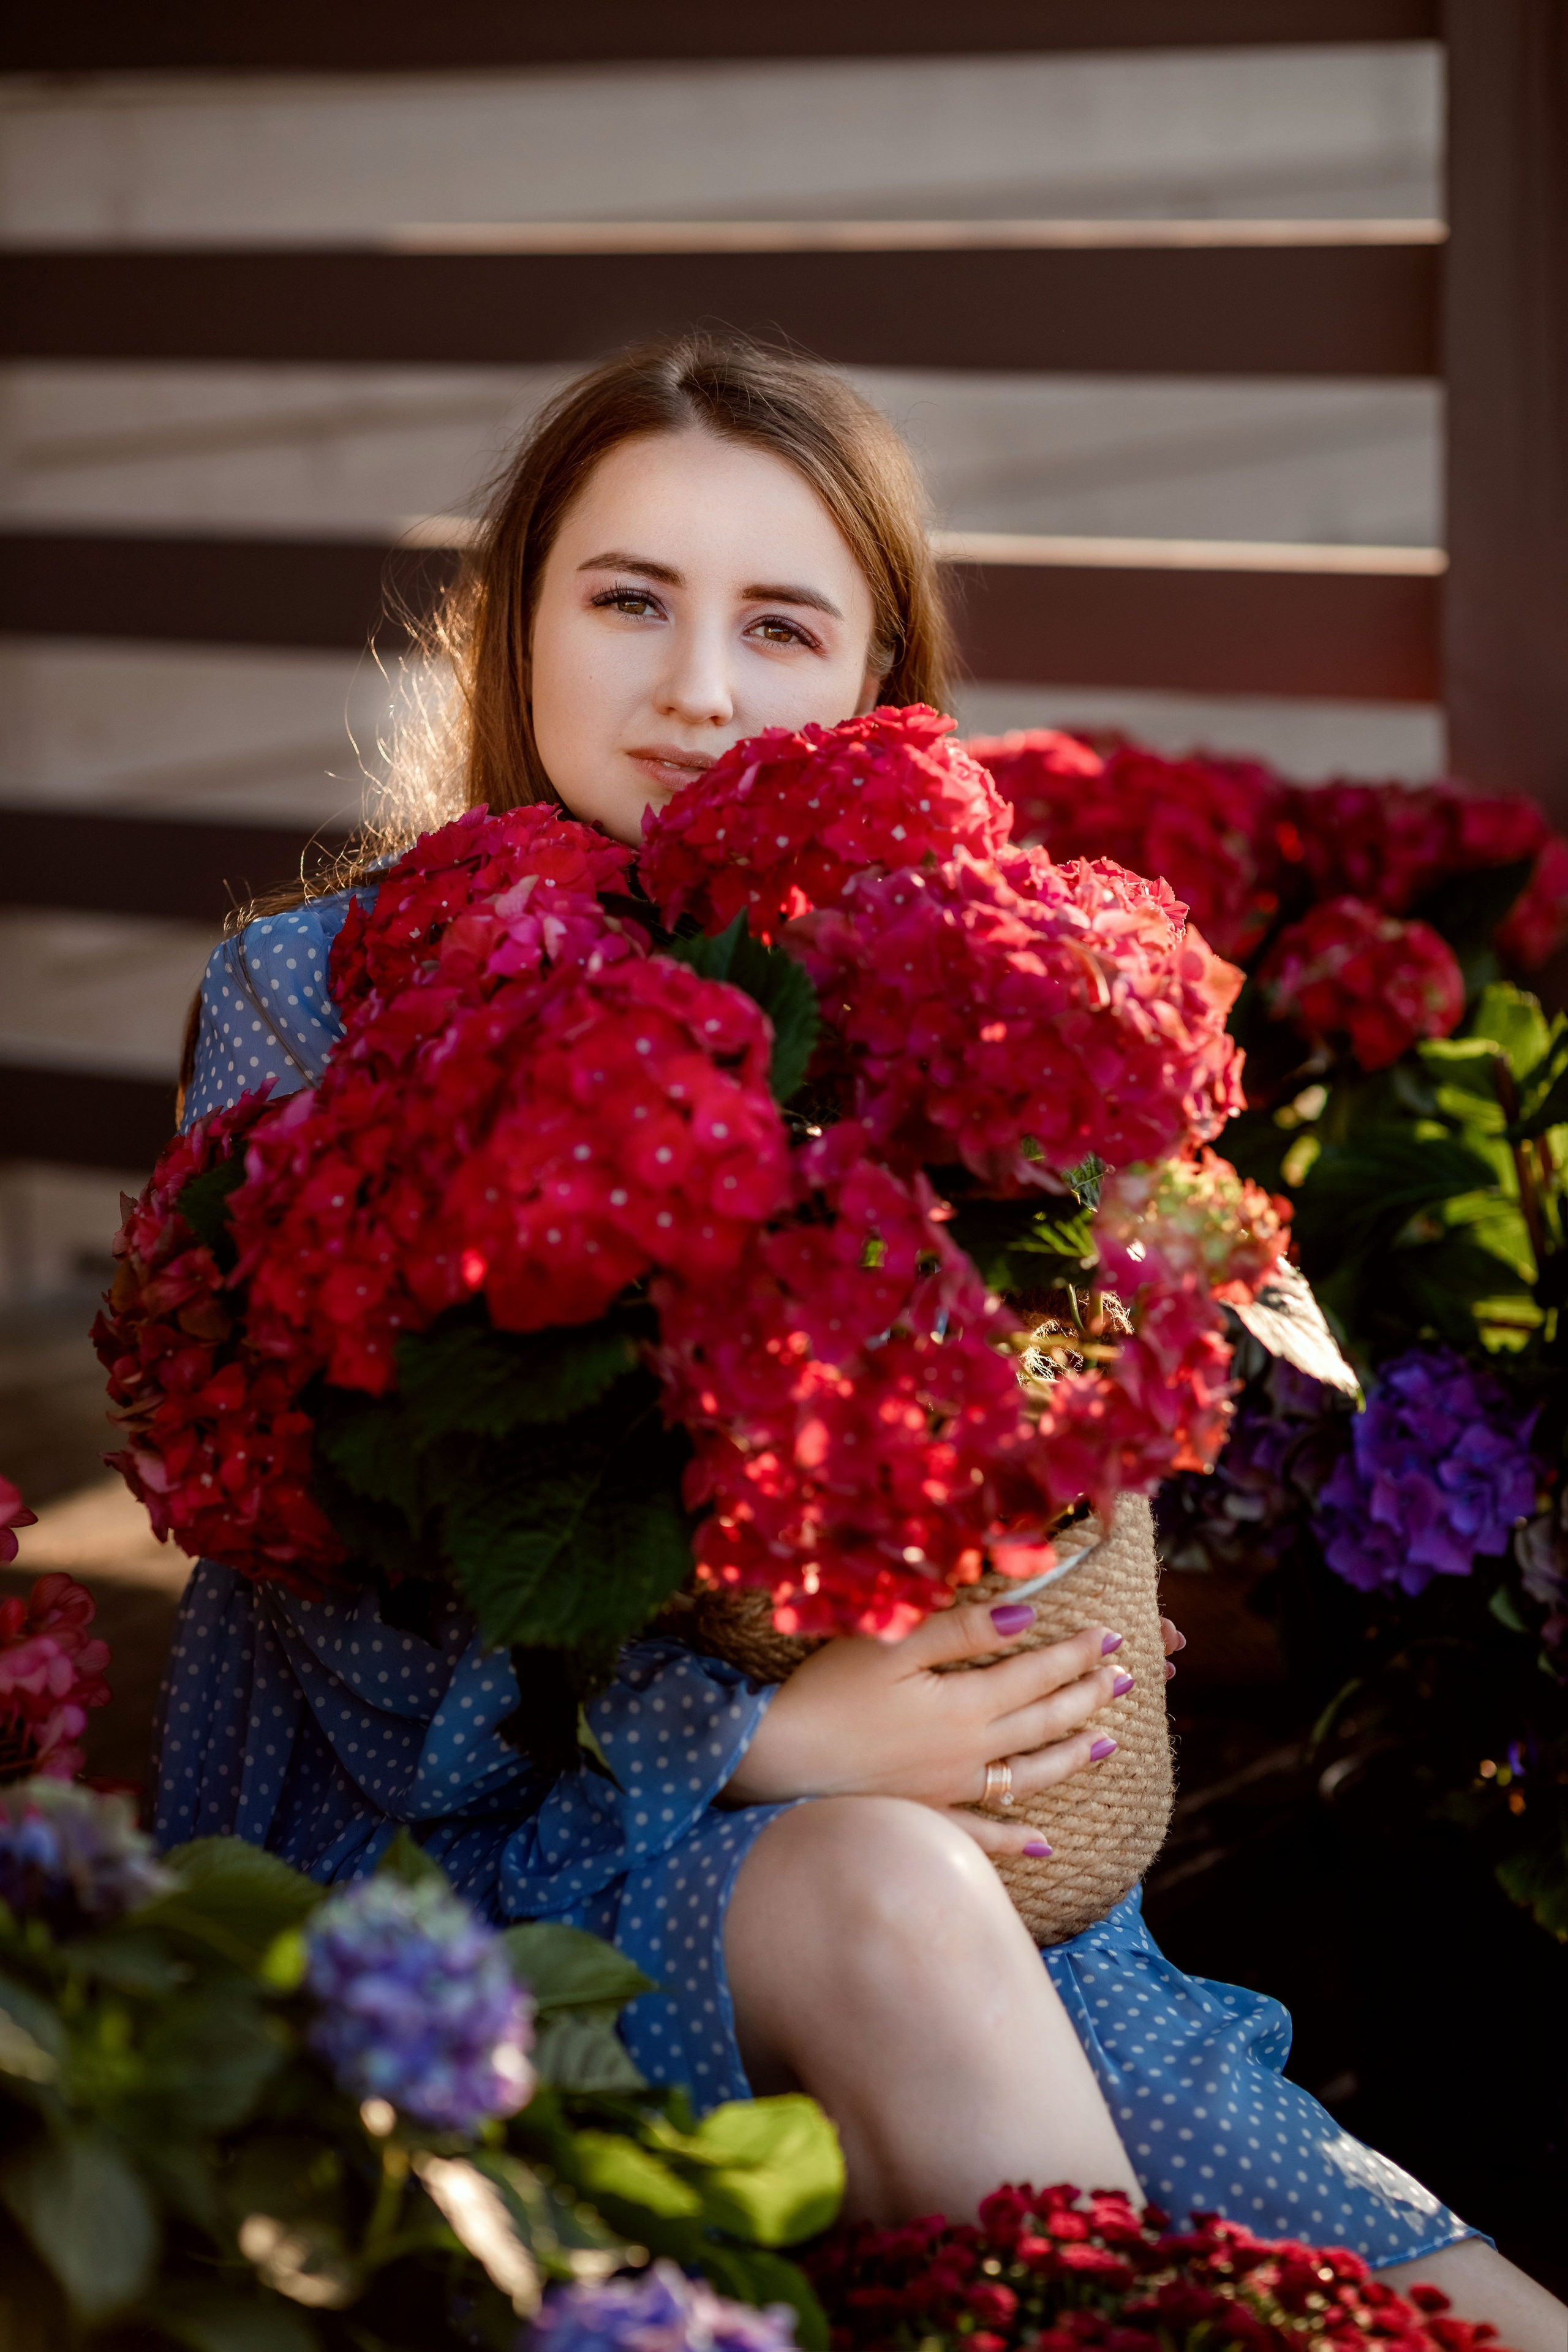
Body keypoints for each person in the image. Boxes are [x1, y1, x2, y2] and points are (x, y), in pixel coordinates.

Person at [159, 333, 1564, 2348]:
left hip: (985, 1900)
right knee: (897, 1900)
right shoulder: (308, 999)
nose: (700, 689)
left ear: (877, 692)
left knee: (1485, 2317)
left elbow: (1026, 1548)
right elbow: (325, 1609)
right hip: (448, 1875)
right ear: (518, 619)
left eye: (781, 625)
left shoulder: (920, 1022)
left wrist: (1024, 1548)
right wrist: (770, 1734)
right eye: (628, 598)